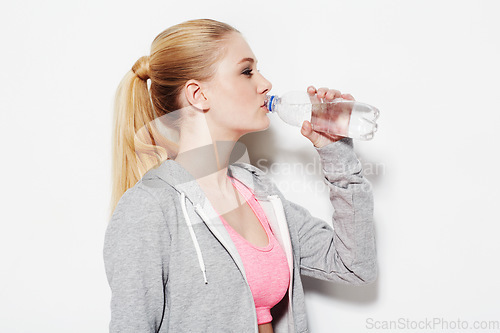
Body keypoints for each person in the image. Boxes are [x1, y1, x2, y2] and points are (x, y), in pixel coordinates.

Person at [103, 18, 377, 333]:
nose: (265, 84)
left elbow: (355, 267)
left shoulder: (259, 191)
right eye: (247, 71)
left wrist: (337, 153)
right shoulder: (149, 208)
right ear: (198, 94)